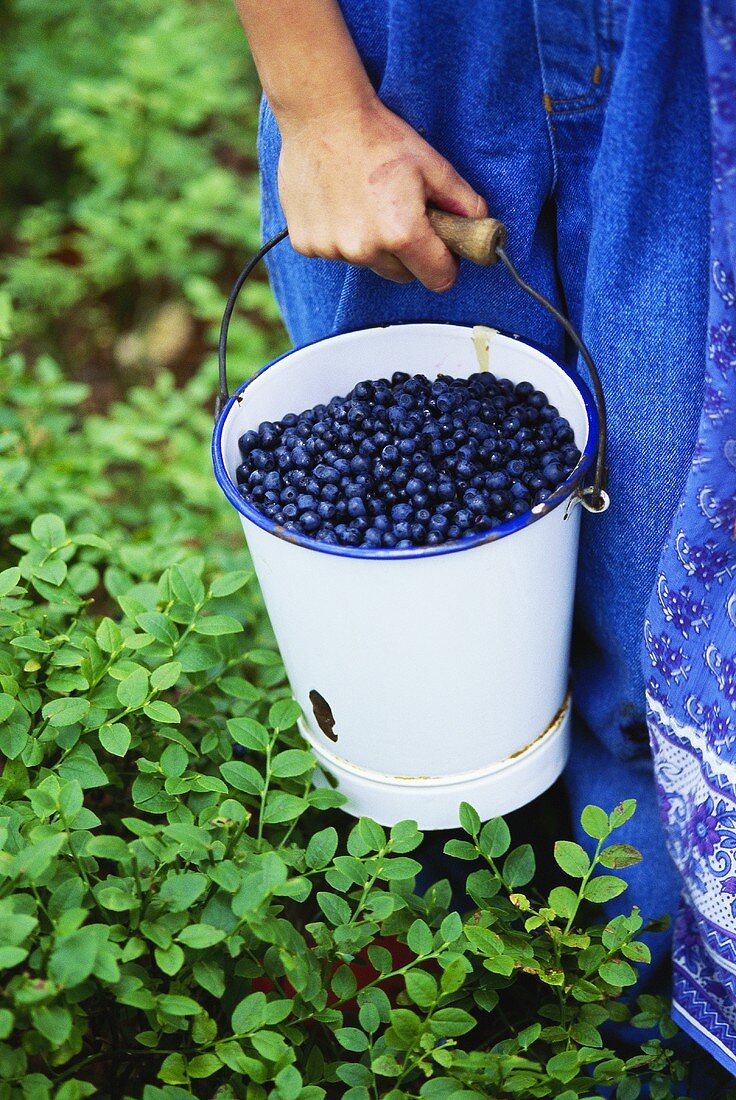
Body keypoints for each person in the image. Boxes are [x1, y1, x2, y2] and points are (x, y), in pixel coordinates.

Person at [236, 0, 736, 1071]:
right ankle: (442, 1008)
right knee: (405, 679)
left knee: (662, 647)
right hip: (401, 45)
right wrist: (316, 99)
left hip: (686, 65)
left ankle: (629, 1035)